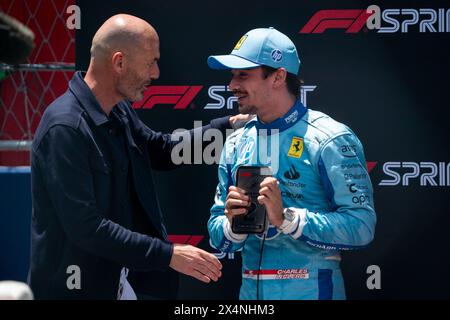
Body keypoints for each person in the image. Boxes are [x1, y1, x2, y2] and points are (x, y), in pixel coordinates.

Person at [28, 14, 249, 300]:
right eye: (151, 62)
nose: (156, 73)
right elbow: (86, 228)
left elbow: (161, 150)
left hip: (116, 284)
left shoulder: (118, 110)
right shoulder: (65, 128)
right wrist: (168, 255)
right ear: (119, 63)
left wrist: (228, 127)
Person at [207, 27, 376, 300]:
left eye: (243, 75)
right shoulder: (236, 143)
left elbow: (362, 225)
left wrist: (286, 218)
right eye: (232, 75)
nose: (232, 86)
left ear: (278, 77)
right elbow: (218, 234)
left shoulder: (329, 138)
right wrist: (232, 223)